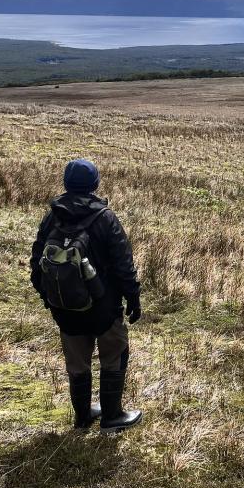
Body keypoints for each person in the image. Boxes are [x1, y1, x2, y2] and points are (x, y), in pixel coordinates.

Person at [30, 159, 143, 432]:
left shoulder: (52, 217)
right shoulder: (105, 218)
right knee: (114, 354)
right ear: (95, 184)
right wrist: (133, 297)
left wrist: (48, 298)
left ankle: (82, 418)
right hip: (104, 308)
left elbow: (37, 263)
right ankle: (112, 416)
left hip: (64, 307)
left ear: (66, 183)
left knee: (77, 362)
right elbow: (123, 265)